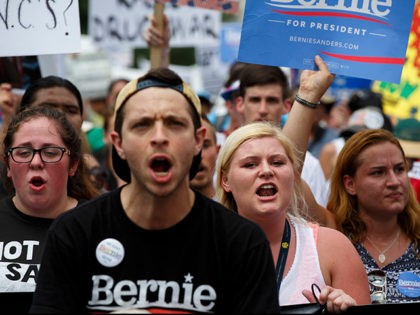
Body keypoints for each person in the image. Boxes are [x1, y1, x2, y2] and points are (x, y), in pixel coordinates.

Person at [29, 67, 281, 314]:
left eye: (175, 123)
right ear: (118, 143)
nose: (159, 137)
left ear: (197, 140)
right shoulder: (74, 233)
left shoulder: (241, 243)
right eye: (142, 124)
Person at [215, 121, 371, 313]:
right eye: (250, 164)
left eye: (277, 162)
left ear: (294, 176)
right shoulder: (202, 248)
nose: (266, 171)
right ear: (225, 180)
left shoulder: (332, 247)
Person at [0, 106, 94, 313]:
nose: (35, 162)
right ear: (8, 165)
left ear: (73, 165)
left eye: (50, 153)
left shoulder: (97, 224)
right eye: (23, 153)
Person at [327, 128, 420, 303]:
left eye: (400, 169)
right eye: (378, 172)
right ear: (350, 184)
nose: (394, 181)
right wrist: (307, 102)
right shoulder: (333, 232)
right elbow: (291, 175)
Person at [236, 60, 331, 210]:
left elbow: (318, 223)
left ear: (287, 106)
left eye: (271, 100)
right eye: (255, 100)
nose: (262, 109)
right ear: (240, 104)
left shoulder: (310, 166)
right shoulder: (221, 157)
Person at [17, 75, 102, 196]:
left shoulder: (99, 201)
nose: (61, 116)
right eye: (47, 108)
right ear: (22, 115)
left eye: (71, 110)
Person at [190, 114, 220, 199]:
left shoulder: (236, 208)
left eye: (205, 145)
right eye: (190, 145)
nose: (199, 155)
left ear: (217, 151)